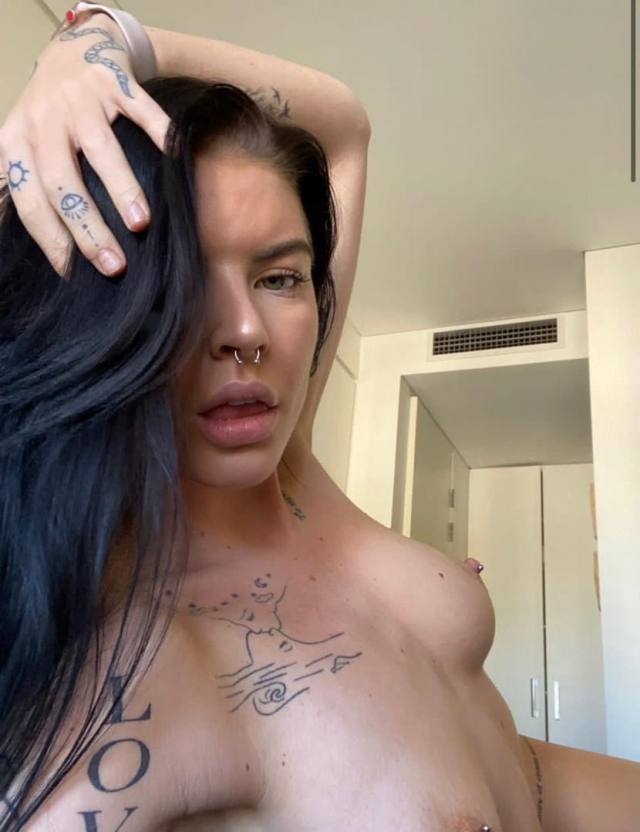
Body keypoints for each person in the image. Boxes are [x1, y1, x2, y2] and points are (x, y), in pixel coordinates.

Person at [1, 5, 639, 832]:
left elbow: (343, 127)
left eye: (280, 278)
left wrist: (102, 41)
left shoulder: (289, 467)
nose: (245, 332)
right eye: (180, 290)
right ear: (101, 323)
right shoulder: (134, 675)